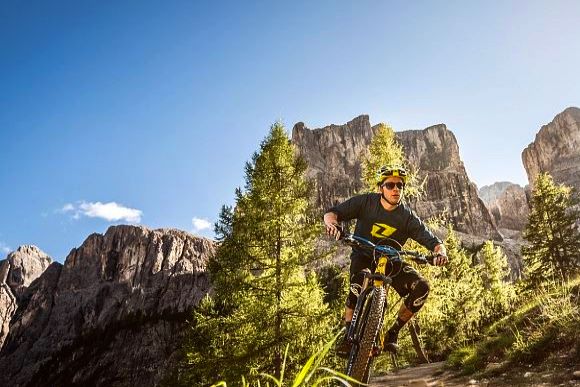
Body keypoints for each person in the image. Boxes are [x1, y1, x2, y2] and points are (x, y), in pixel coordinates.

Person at [323, 165, 448, 357]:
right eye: (390, 185)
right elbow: (332, 213)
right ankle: (348, 335)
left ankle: (393, 333)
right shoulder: (366, 202)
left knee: (422, 287)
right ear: (381, 187)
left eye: (400, 185)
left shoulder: (407, 217)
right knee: (357, 285)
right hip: (364, 255)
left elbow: (433, 241)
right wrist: (332, 224)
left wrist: (440, 253)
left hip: (391, 261)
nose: (396, 189)